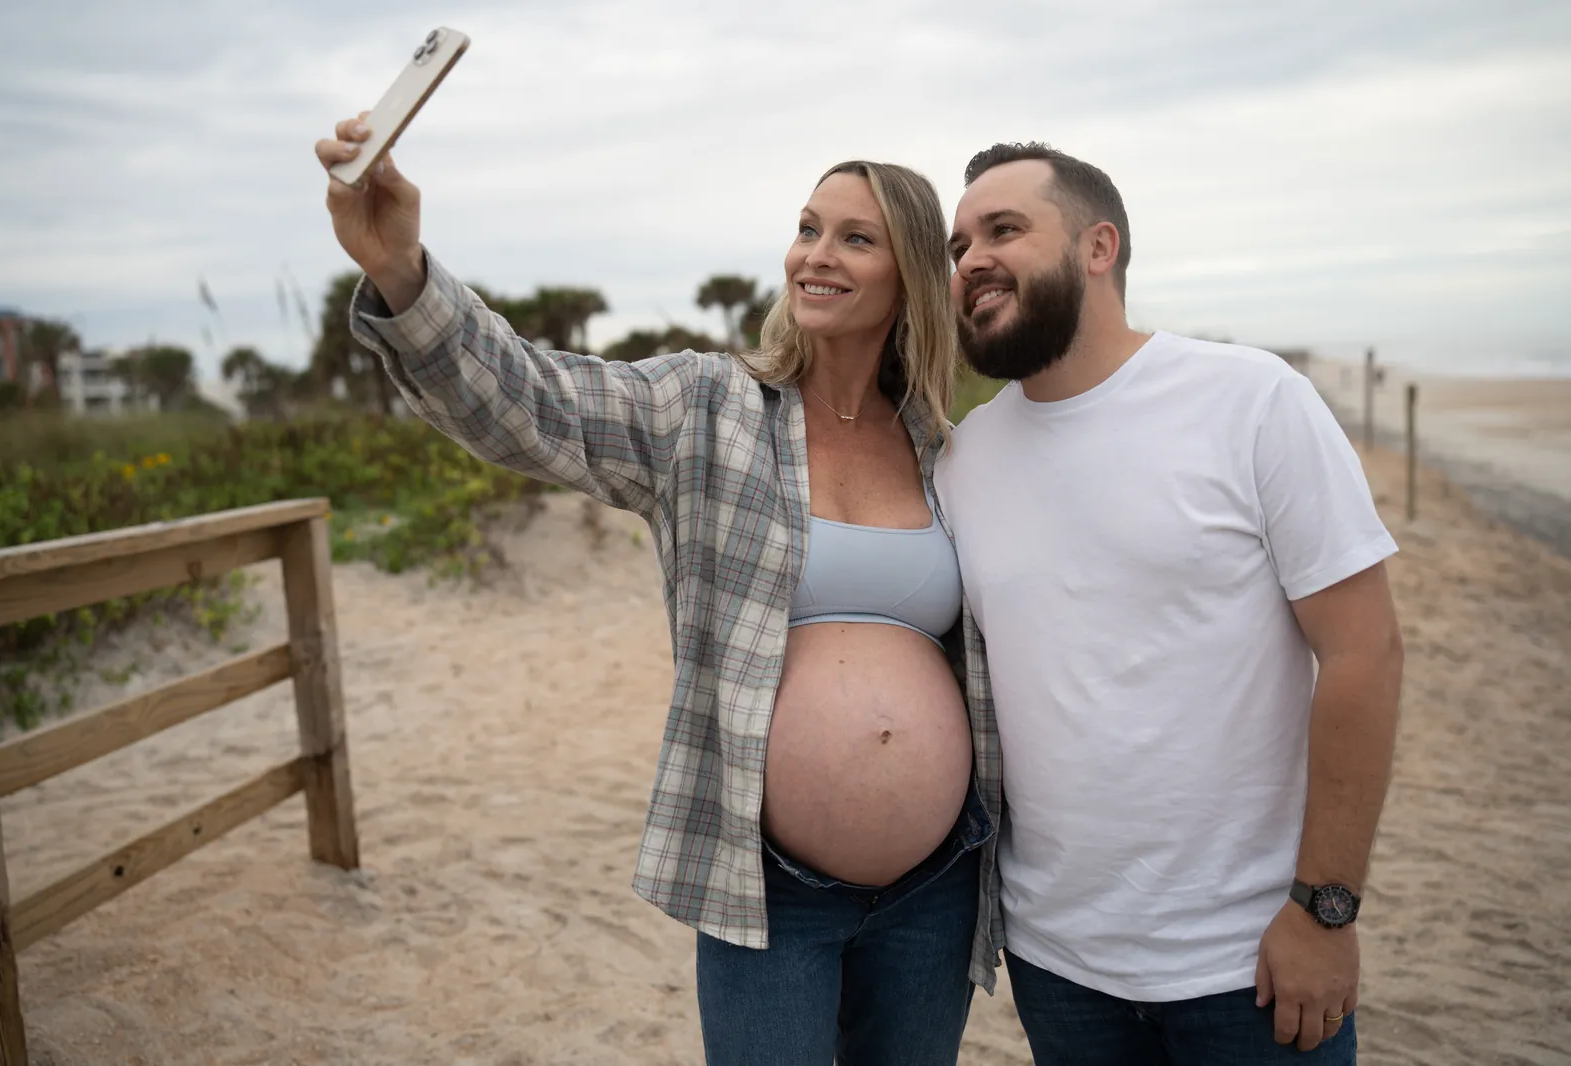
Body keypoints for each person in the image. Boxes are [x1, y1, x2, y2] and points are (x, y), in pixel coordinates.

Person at [313, 121, 1004, 1065]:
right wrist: (402, 271)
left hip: (938, 885)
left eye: (854, 237)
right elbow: (529, 401)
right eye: (807, 228)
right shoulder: (707, 409)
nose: (816, 255)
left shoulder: (943, 447)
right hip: (769, 887)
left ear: (910, 272)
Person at [936, 141, 1404, 1065]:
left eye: (1003, 230)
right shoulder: (964, 459)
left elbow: (1364, 655)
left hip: (1251, 965)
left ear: (1098, 246)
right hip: (1057, 965)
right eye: (957, 248)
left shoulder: (1252, 399)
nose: (970, 262)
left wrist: (1326, 909)